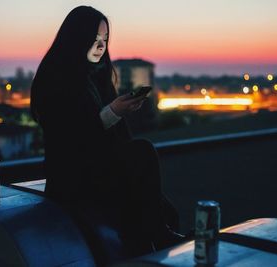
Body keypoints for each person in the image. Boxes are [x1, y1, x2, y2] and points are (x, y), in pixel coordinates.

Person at [30, 5, 184, 256]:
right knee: (143, 152)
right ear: (77, 38)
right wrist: (112, 112)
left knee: (166, 209)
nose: (101, 46)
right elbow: (69, 138)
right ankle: (157, 238)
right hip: (71, 176)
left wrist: (118, 113)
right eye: (94, 39)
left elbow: (112, 139)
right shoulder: (55, 77)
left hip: (98, 168)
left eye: (105, 39)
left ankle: (155, 242)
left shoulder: (96, 75)